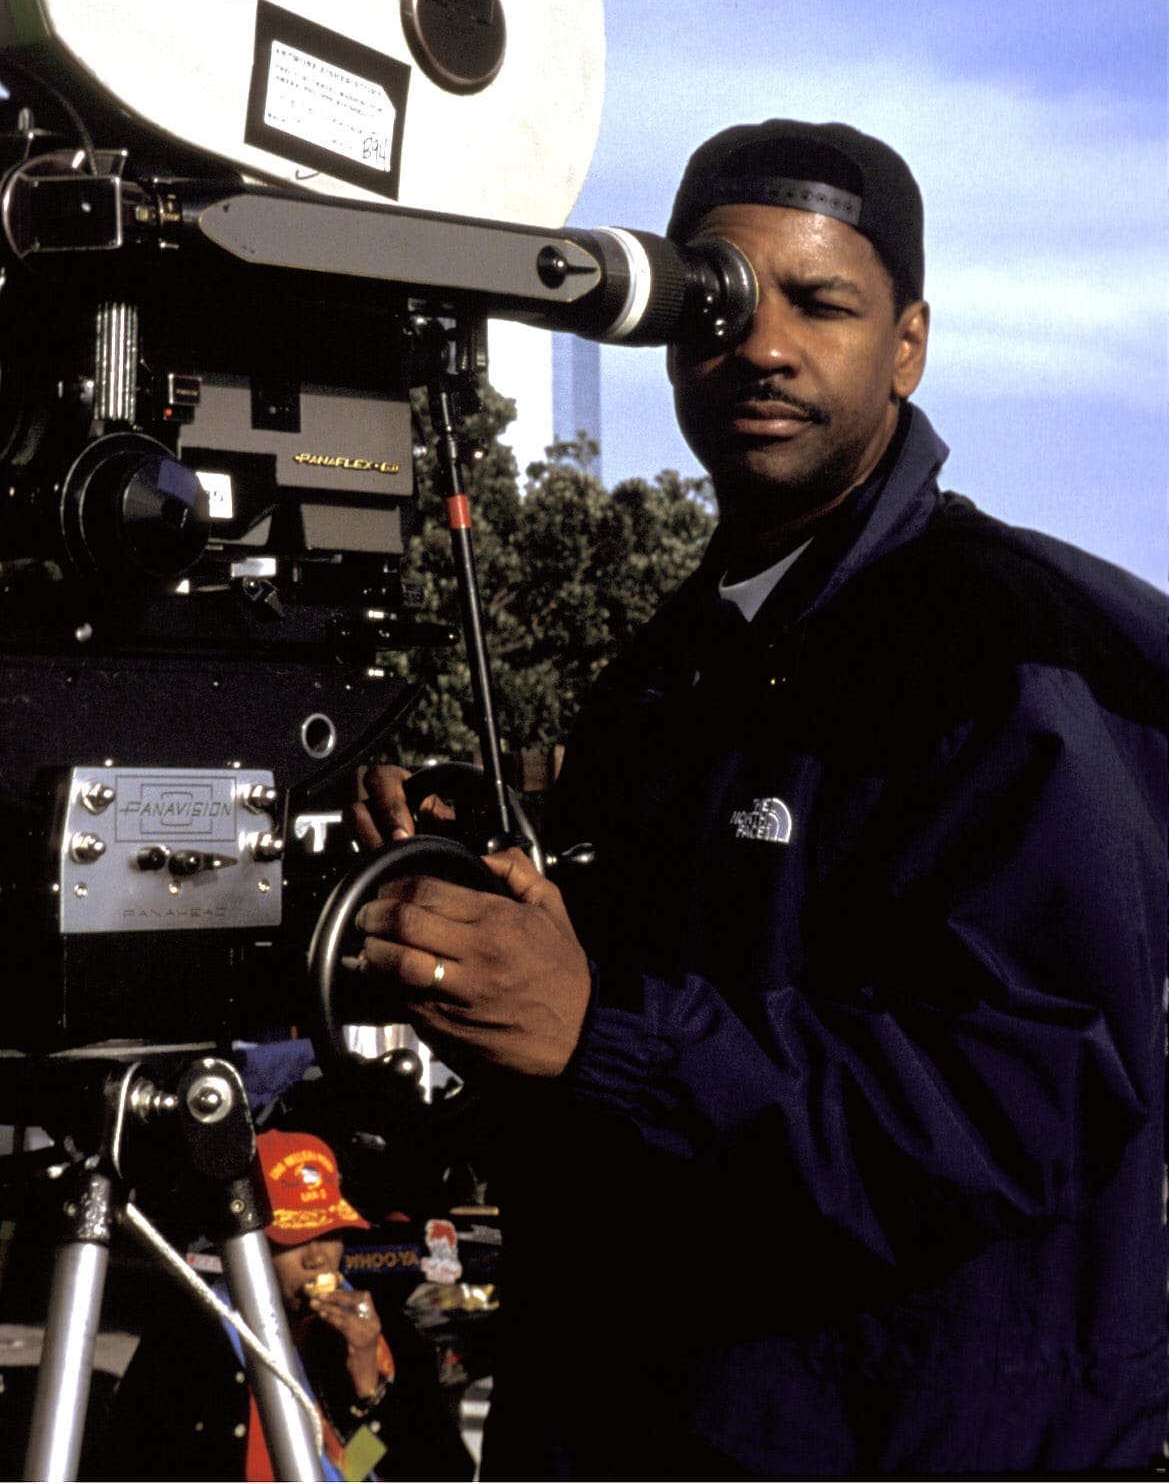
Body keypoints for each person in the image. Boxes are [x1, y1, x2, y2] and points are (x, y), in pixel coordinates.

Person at [350, 119, 1168, 1480]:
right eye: (719, 300)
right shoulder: (673, 668)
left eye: (822, 302)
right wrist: (476, 891)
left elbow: (1024, 1100)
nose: (765, 344)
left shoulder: (1008, 653)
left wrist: (597, 1027)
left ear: (908, 341)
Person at [107, 1126, 475, 1481]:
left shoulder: (381, 1333)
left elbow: (440, 1471)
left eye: (329, 1234)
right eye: (294, 1238)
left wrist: (371, 1395)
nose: (317, 1258)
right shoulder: (192, 1337)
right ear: (250, 1245)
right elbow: (125, 1462)